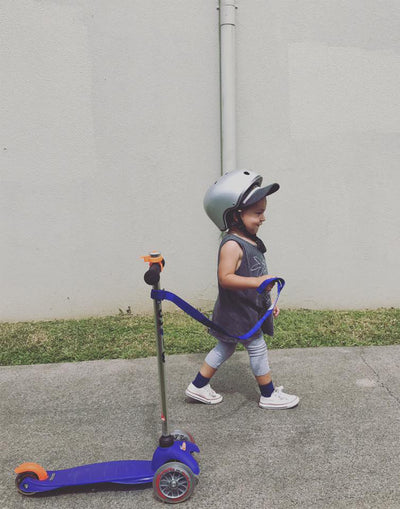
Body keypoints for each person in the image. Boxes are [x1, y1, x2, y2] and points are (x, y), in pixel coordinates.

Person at [185, 169, 299, 409]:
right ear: (235, 215)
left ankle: (198, 385)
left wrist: (267, 303)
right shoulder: (232, 245)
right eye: (258, 213)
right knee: (257, 348)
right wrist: (258, 283)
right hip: (238, 311)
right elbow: (225, 278)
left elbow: (253, 275)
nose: (263, 218)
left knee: (225, 347)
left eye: (263, 212)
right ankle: (268, 394)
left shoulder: (249, 241)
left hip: (246, 309)